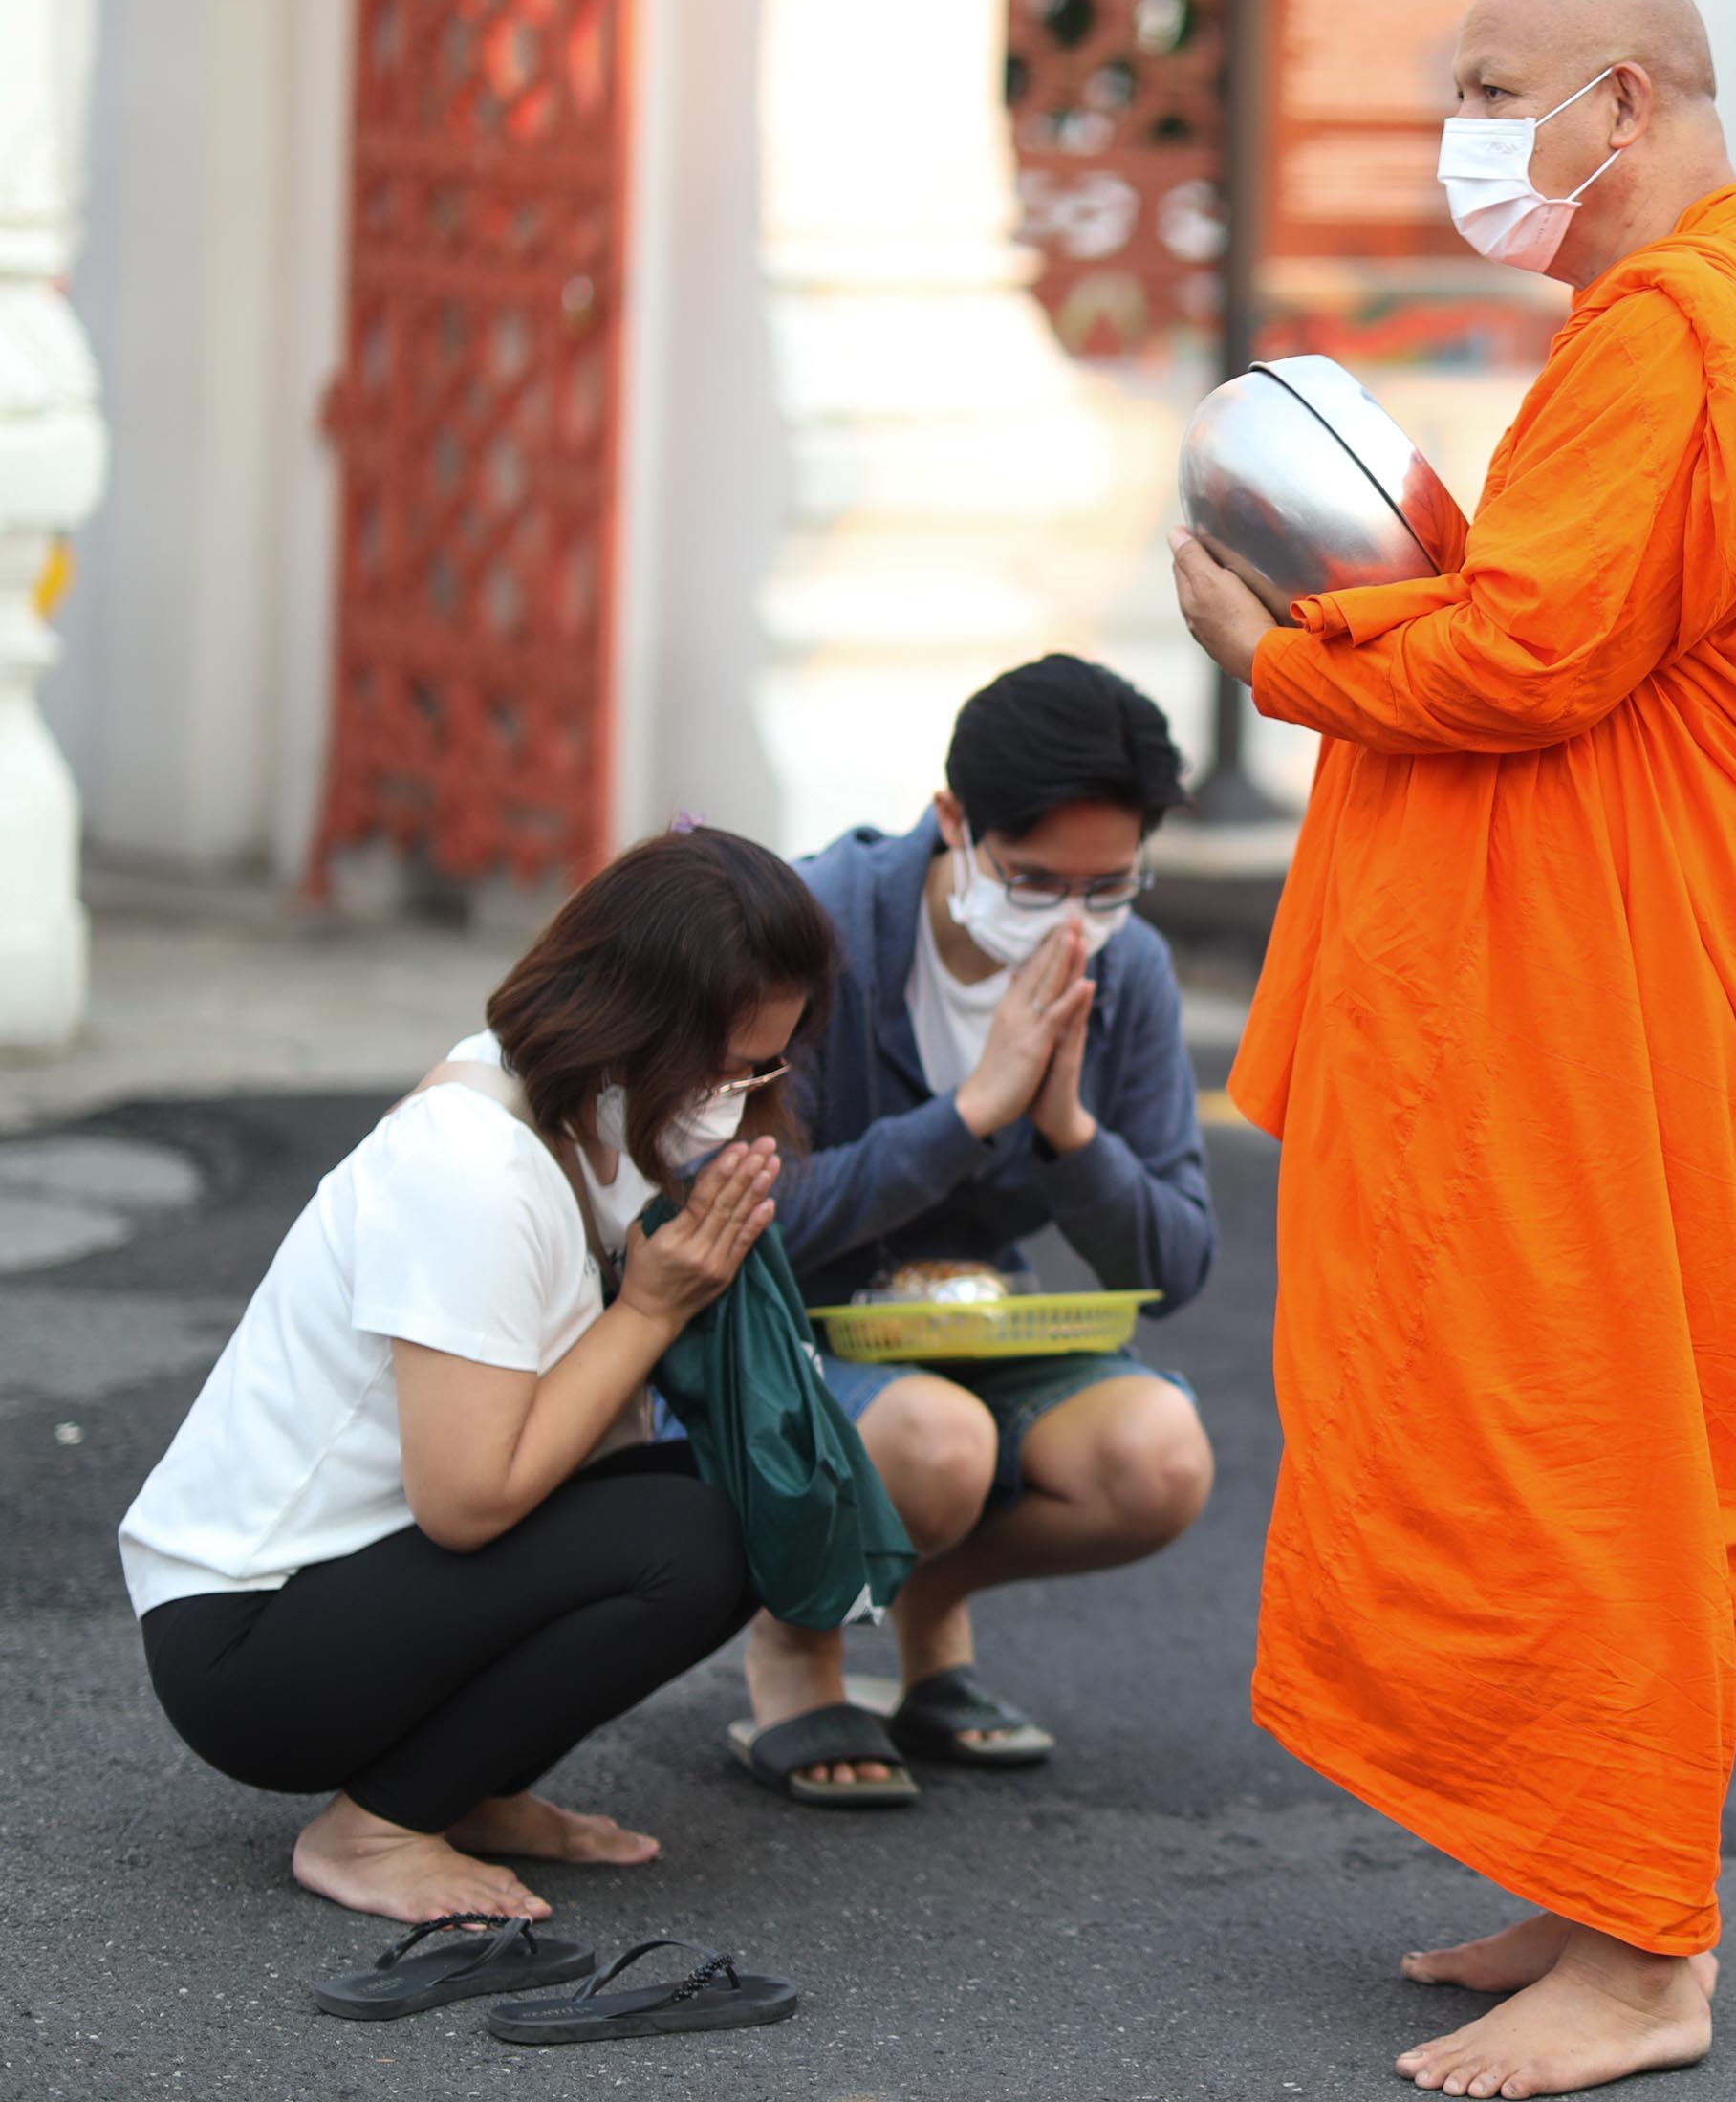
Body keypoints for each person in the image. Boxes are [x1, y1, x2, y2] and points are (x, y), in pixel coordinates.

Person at [1168, 0, 1736, 2099]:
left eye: (1496, 87)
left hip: (1643, 993)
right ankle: (1581, 1868)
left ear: (1629, 103)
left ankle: (1649, 1954)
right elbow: (1578, 611)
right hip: (1625, 960)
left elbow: (1532, 666)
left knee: (1598, 1431)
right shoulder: (1712, 314)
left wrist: (1277, 648)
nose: (1467, 131)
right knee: (1552, 1408)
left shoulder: (1690, 332)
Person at [119, 827, 828, 1922]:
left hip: (351, 1586)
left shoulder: (583, 1110)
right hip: (247, 1644)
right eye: (726, 1064)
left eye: (764, 1065)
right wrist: (649, 1307)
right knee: (693, 1543)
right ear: (631, 1019)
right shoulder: (470, 1164)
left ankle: (465, 1789)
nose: (738, 1093)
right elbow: (466, 1503)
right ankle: (376, 1829)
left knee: (727, 1501)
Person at [734, 655, 1218, 1801]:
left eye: (1110, 886)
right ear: (955, 821)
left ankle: (931, 1601)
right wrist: (968, 1117)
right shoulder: (807, 929)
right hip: (779, 1335)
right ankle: (797, 1648)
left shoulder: (1126, 969)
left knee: (1157, 1460)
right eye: (1037, 880)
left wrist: (1068, 1133)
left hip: (967, 1330)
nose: (1074, 920)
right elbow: (735, 1219)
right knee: (940, 1447)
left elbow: (1176, 1261)